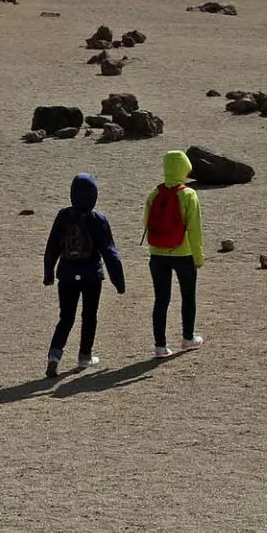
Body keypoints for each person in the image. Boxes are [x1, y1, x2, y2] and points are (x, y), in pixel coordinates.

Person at [43, 173, 126, 378]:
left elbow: (52, 247)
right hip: (91, 276)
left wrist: (49, 273)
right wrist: (119, 282)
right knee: (89, 317)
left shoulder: (63, 216)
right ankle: (84, 356)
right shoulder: (98, 219)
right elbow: (110, 253)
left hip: (67, 274)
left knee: (66, 318)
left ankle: (54, 356)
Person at [143, 150, 205, 357]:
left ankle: (160, 345)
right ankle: (188, 338)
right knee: (188, 296)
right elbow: (194, 229)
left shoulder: (154, 193)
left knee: (161, 299)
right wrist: (198, 256)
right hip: (183, 253)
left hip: (157, 253)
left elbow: (147, 223)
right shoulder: (188, 194)